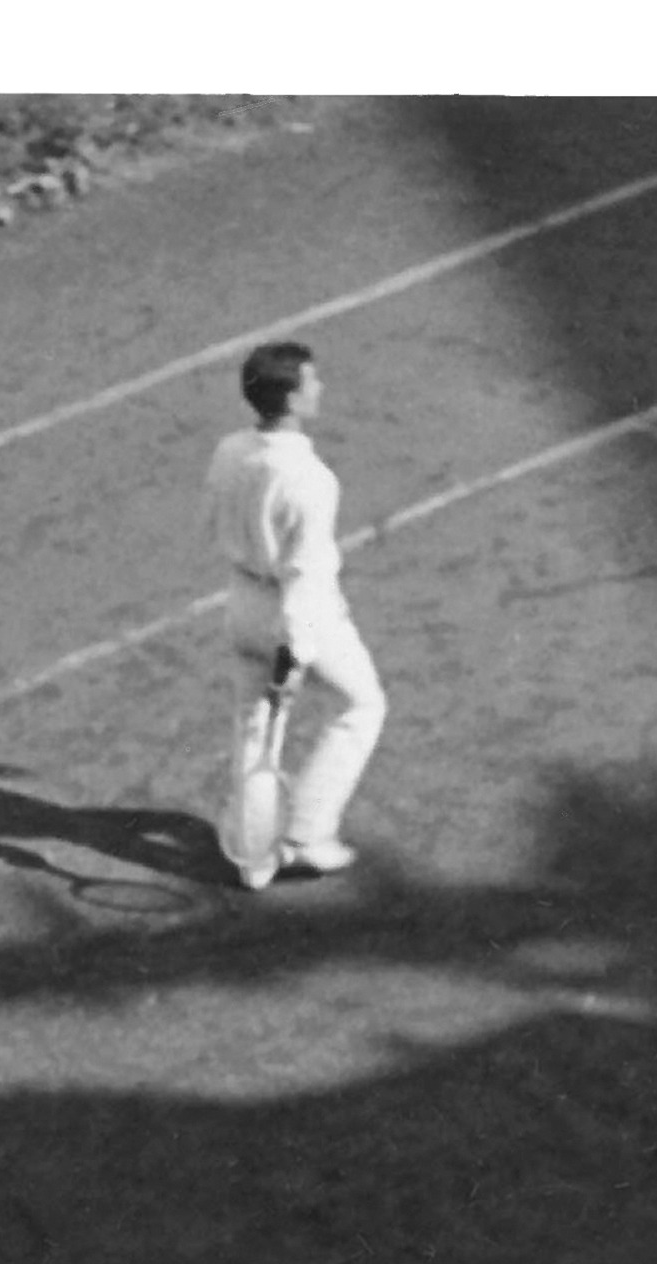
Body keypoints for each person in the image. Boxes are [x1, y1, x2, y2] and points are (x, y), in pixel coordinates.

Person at [200, 340, 388, 892]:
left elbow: (209, 521)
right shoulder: (311, 480)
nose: (320, 388)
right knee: (361, 705)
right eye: (312, 382)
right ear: (290, 397)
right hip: (295, 617)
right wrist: (295, 655)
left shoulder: (228, 450)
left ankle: (254, 860)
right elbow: (305, 577)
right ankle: (307, 833)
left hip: (241, 604)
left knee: (255, 731)